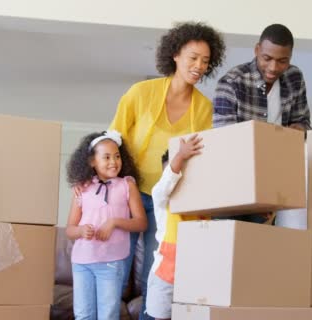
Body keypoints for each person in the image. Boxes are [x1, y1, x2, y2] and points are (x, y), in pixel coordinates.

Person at [108, 22, 226, 319]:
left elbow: (201, 159)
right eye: (193, 57)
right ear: (175, 54)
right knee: (115, 270)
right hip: (128, 194)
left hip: (166, 201)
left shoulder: (204, 109)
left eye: (205, 61)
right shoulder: (140, 93)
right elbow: (114, 137)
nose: (199, 66)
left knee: (155, 271)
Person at [66, 130, 147, 320]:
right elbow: (70, 229)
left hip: (112, 262)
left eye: (117, 156)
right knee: (83, 314)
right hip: (82, 262)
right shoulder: (82, 188)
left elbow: (141, 223)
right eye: (107, 157)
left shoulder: (127, 185)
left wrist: (114, 222)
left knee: (108, 315)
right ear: (92, 161)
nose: (113, 162)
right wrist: (80, 230)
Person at [146, 134, 208, 320]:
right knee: (161, 315)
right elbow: (166, 183)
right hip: (166, 272)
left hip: (194, 274)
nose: (176, 179)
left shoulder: (203, 203)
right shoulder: (161, 198)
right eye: (173, 173)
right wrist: (180, 157)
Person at [213, 23, 310, 131]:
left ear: (290, 56)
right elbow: (224, 137)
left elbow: (303, 122)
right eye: (267, 58)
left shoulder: (294, 77)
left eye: (282, 61)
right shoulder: (230, 83)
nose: (273, 68)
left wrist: (300, 128)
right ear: (257, 50)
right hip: (244, 148)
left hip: (284, 147)